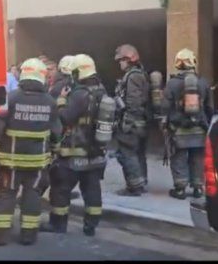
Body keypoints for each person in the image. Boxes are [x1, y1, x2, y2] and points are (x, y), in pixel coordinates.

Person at [0, 58, 62, 246]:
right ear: (42, 77)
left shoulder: (10, 97)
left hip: (11, 162)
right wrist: (56, 149)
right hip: (37, 162)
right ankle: (28, 235)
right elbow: (56, 131)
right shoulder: (50, 102)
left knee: (6, 195)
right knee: (32, 196)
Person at [40, 54, 107, 237]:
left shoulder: (79, 93)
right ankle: (90, 226)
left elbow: (65, 117)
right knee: (92, 191)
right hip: (95, 153)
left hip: (73, 154)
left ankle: (58, 224)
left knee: (60, 189)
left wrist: (61, 101)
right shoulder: (102, 91)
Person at [161, 48, 213, 200]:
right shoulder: (203, 82)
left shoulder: (172, 83)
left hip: (178, 130)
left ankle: (180, 189)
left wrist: (165, 124)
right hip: (200, 130)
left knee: (179, 158)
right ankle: (198, 188)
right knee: (198, 158)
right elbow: (209, 107)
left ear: (178, 63)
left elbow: (165, 107)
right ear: (193, 63)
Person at [37, 55, 80, 200]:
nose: (49, 72)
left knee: (58, 164)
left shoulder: (59, 84)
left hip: (58, 129)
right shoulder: (66, 84)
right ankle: (38, 193)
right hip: (60, 129)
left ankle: (40, 193)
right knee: (56, 165)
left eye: (51, 69)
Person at [113, 44, 151, 196]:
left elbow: (133, 103)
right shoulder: (140, 74)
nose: (120, 63)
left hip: (132, 123)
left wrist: (126, 120)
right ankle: (141, 181)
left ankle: (134, 186)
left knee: (127, 153)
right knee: (138, 153)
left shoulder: (133, 76)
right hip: (141, 123)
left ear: (129, 60)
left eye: (121, 60)